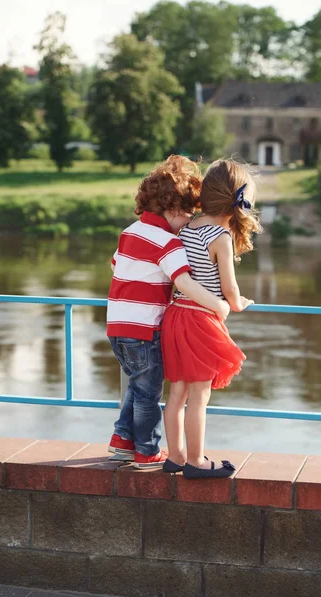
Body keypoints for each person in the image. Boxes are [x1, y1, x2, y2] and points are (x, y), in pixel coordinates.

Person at [107, 156, 230, 470]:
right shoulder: (168, 243)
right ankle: (146, 450)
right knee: (149, 393)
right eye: (188, 212)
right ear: (174, 208)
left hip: (117, 326)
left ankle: (122, 440)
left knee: (138, 384)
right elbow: (185, 283)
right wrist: (217, 304)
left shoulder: (130, 231)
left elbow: (115, 264)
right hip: (144, 329)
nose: (189, 220)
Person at [161, 159, 262, 478]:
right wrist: (241, 303)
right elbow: (229, 289)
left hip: (175, 315)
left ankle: (174, 457)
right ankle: (195, 462)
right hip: (200, 321)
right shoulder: (220, 237)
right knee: (199, 397)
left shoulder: (188, 226)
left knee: (176, 394)